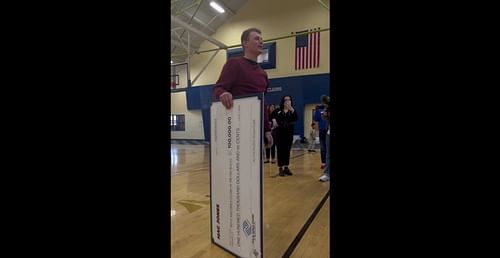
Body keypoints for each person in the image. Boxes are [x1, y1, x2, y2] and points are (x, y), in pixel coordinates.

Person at [212, 28, 273, 148]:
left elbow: (263, 104)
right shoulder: (234, 64)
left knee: (254, 166)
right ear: (245, 43)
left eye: (261, 39)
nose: (261, 42)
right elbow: (218, 88)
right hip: (235, 128)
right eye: (256, 39)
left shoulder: (263, 74)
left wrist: (267, 129)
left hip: (255, 130)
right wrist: (223, 93)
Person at [271, 95, 298, 177]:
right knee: (280, 150)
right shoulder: (278, 110)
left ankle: (286, 167)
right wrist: (274, 120)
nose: (287, 101)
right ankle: (280, 168)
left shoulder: (292, 111)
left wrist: (292, 110)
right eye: (285, 100)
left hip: (289, 132)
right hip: (279, 132)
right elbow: (271, 116)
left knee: (287, 150)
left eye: (289, 100)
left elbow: (296, 118)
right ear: (283, 101)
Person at [319, 95, 331, 182]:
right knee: (328, 154)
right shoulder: (327, 108)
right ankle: (327, 174)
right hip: (329, 133)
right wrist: (326, 115)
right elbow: (325, 119)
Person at [314, 104, 328, 169]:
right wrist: (316, 110)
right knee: (323, 148)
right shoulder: (320, 110)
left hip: (328, 130)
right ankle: (324, 163)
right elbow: (316, 119)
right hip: (322, 131)